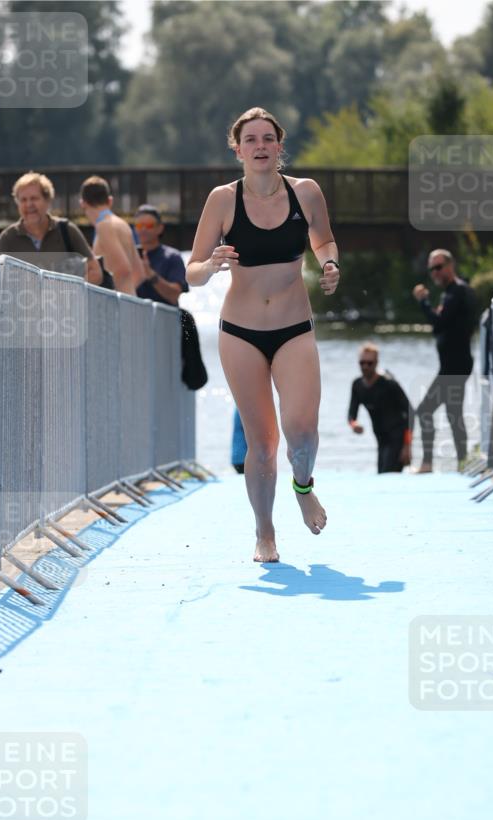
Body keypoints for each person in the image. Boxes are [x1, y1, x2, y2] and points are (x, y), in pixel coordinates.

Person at [185, 106, 340, 563]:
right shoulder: (222, 200)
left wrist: (330, 263)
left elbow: (324, 240)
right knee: (263, 443)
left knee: (304, 435)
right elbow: (191, 271)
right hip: (240, 333)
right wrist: (211, 264)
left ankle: (304, 486)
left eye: (267, 139)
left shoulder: (306, 193)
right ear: (238, 149)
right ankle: (265, 533)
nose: (259, 147)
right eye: (250, 140)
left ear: (279, 145)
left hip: (294, 327)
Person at [412, 249, 477, 473]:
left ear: (451, 265)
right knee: (453, 414)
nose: (435, 273)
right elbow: (445, 325)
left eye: (439, 267)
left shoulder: (457, 292)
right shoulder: (453, 292)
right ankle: (463, 463)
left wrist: (423, 302)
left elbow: (439, 323)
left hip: (455, 366)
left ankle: (428, 463)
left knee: (425, 411)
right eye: (432, 269)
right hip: (455, 364)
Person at [0, 172, 102, 284]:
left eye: (34, 198)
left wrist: (71, 292)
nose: (29, 204)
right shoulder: (7, 238)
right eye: (23, 200)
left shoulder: (67, 230)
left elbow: (95, 272)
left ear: (48, 200)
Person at [348, 342, 412, 473]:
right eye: (362, 363)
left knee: (387, 476)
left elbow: (410, 412)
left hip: (397, 438)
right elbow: (351, 413)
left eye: (369, 363)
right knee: (381, 475)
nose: (365, 366)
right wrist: (354, 425)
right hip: (381, 439)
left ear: (376, 363)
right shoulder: (357, 385)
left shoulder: (389, 383)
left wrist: (407, 447)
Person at [79, 175, 144, 295]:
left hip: (115, 308)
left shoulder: (104, 226)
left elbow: (122, 269)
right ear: (110, 201)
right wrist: (128, 294)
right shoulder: (123, 224)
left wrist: (106, 297)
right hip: (130, 303)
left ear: (82, 203)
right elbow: (139, 273)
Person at [134, 205, 188, 305]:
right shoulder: (130, 256)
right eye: (139, 226)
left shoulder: (172, 257)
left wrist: (150, 274)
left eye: (149, 225)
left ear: (160, 228)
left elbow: (174, 295)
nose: (143, 229)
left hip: (165, 319)